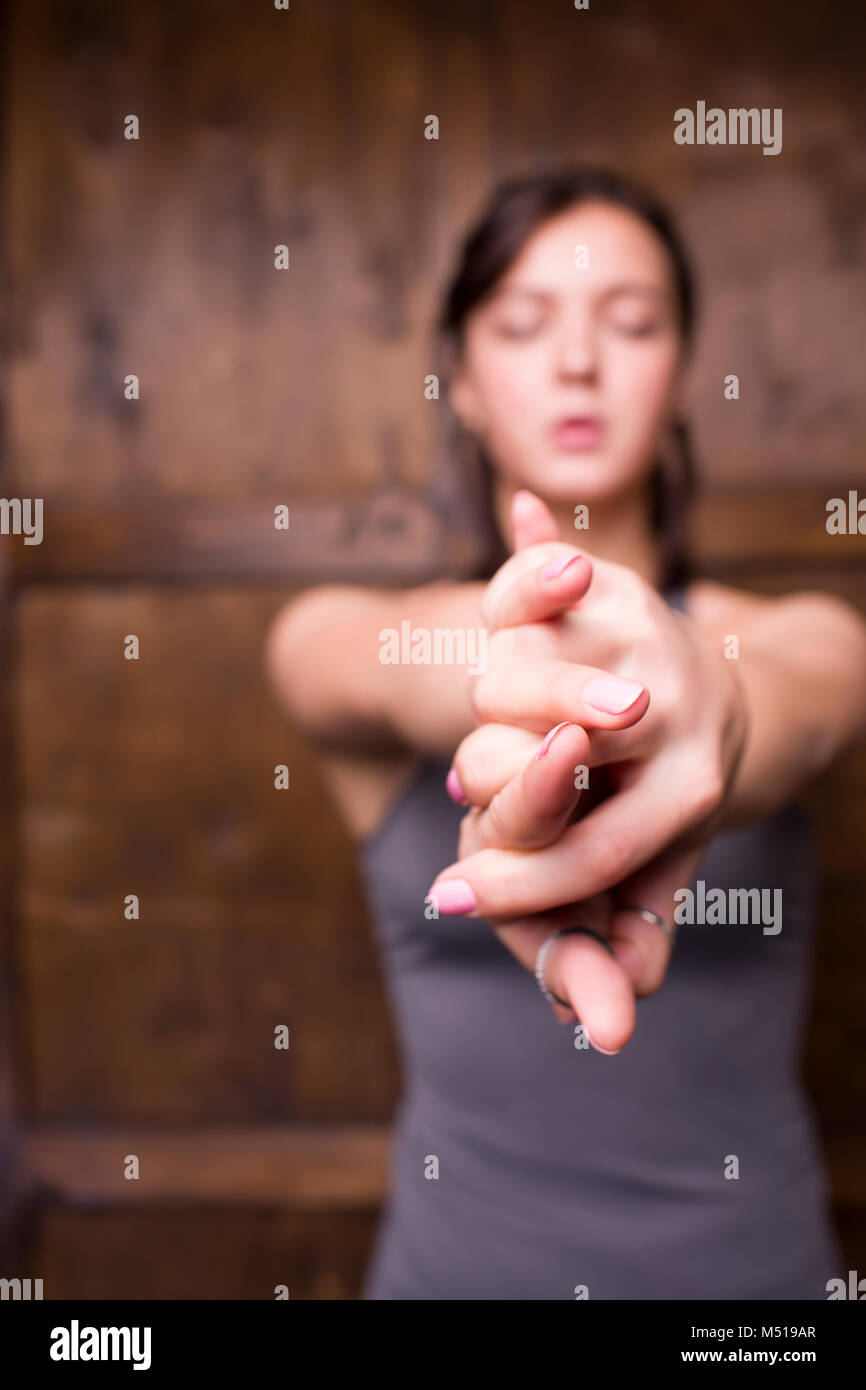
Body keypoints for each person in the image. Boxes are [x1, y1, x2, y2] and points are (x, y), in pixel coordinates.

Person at [265, 168, 866, 1299]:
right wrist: (528, 679)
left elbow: (780, 711)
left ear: (681, 369)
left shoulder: (809, 640)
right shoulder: (340, 633)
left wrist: (708, 712)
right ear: (465, 384)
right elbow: (382, 663)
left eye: (630, 322)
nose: (577, 361)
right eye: (524, 322)